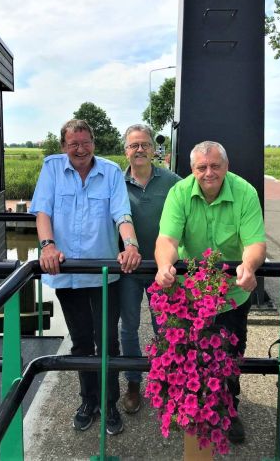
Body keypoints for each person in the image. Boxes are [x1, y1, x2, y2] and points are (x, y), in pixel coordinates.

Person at [29, 119, 141, 436]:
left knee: (107, 340)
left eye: (86, 142)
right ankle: (88, 401)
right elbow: (43, 212)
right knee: (80, 342)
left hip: (103, 274)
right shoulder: (52, 168)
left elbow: (122, 214)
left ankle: (109, 403)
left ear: (94, 141)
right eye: (73, 144)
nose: (80, 149)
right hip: (68, 274)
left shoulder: (110, 172)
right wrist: (48, 246)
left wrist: (131, 245)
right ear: (63, 146)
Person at [154, 141, 266, 444]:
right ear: (192, 169)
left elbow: (255, 242)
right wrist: (164, 266)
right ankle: (192, 410)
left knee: (231, 353)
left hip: (232, 293)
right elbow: (167, 239)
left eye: (215, 166)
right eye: (201, 167)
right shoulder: (179, 193)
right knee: (190, 356)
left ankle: (230, 409)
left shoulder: (245, 192)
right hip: (190, 294)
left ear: (226, 167)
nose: (209, 173)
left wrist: (248, 266)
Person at [119, 124, 181, 414]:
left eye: (145, 144)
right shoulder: (116, 183)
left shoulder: (172, 181)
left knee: (165, 327)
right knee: (128, 327)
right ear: (126, 151)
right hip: (129, 271)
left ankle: (166, 379)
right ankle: (133, 382)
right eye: (134, 145)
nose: (140, 149)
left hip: (161, 270)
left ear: (154, 149)